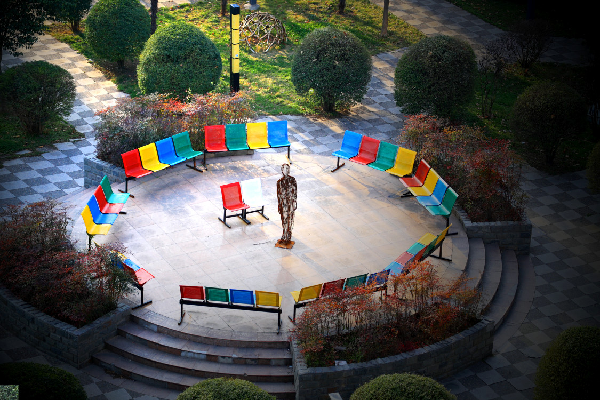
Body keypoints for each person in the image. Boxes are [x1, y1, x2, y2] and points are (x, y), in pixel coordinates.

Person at [276, 163, 297, 248]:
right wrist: (279, 206)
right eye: (285, 169)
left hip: (290, 203)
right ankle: (284, 235)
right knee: (284, 220)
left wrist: (294, 203)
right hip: (283, 204)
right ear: (282, 170)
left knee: (290, 219)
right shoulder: (279, 182)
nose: (287, 170)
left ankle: (288, 236)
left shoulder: (292, 180)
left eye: (288, 169)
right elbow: (279, 195)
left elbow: (295, 193)